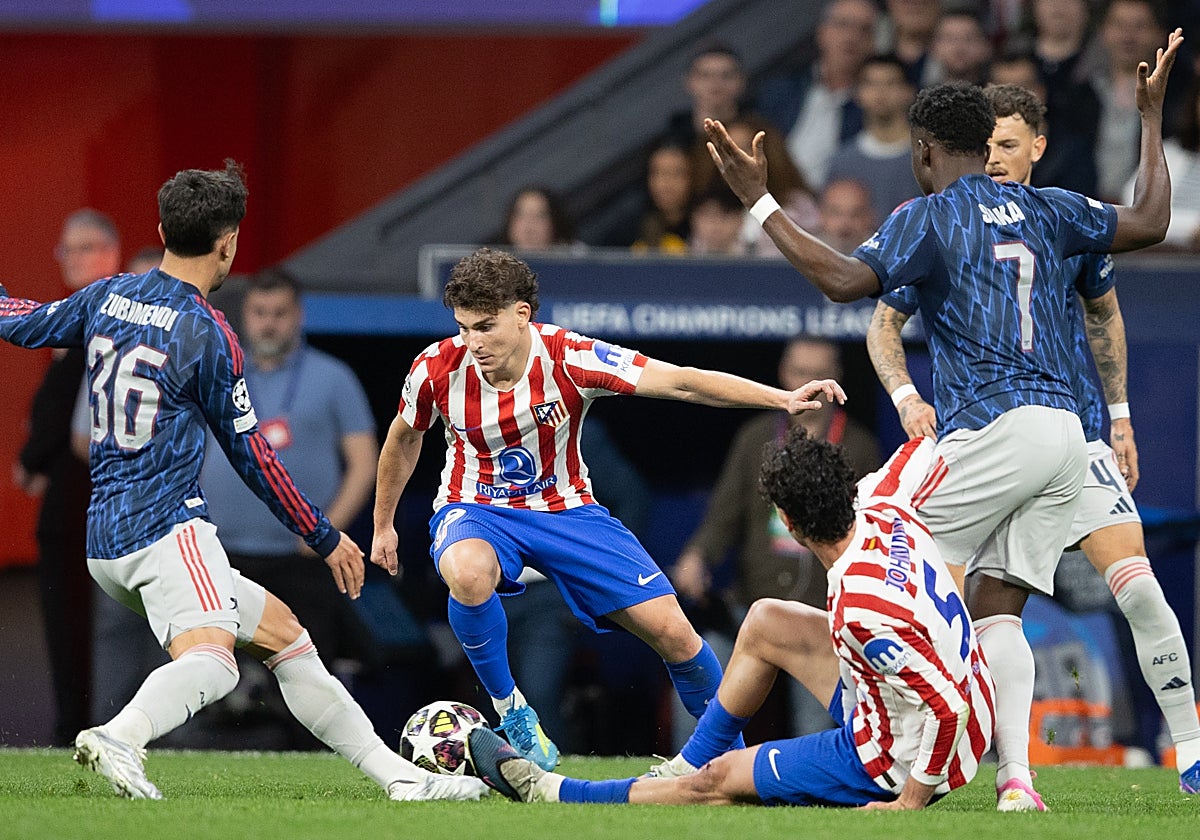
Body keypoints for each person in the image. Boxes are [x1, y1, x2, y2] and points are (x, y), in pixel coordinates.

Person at [704, 27, 1182, 810]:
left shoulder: (926, 215)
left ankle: (895, 745)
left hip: (997, 428)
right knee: (994, 605)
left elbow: (843, 281)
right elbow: (1154, 220)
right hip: (1069, 437)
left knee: (874, 529)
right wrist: (1151, 119)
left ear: (924, 150)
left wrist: (759, 198)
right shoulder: (1051, 207)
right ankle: (1018, 778)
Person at [0, 161, 485, 803]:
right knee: (214, 662)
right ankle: (121, 735)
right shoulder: (208, 332)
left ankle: (398, 778)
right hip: (167, 529)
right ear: (228, 241)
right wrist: (323, 534)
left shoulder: (106, 297)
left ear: (163, 229)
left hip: (105, 542)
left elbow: (20, 320)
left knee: (288, 639)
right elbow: (253, 455)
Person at [368, 246, 846, 772]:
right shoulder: (437, 368)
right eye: (463, 327)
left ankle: (726, 762)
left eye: (485, 326)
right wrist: (383, 522)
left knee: (675, 634)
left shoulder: (570, 356)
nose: (473, 342)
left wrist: (779, 399)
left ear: (522, 314)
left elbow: (682, 382)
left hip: (567, 511)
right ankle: (513, 714)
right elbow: (403, 440)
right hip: (474, 507)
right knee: (466, 572)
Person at [866, 81, 1200, 795]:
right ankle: (1014, 774)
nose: (993, 159)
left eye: (1008, 146)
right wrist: (904, 396)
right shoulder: (946, 220)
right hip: (994, 433)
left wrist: (1120, 415)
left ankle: (1191, 747)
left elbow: (1103, 317)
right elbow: (883, 319)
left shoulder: (1059, 219)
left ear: (1037, 148)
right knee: (993, 604)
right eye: (985, 146)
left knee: (1134, 583)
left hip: (1072, 435)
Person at [467, 431, 995, 810]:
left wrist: (909, 802)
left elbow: (947, 707)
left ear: (786, 523)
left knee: (717, 783)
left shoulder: (862, 606)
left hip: (907, 753)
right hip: (945, 701)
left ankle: (552, 790)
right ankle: (687, 760)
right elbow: (930, 448)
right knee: (765, 620)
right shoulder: (884, 499)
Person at [194, 266, 378, 746]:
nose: (269, 323)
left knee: (304, 673)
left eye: (279, 313)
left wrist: (325, 531)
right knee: (211, 669)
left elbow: (365, 462)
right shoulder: (221, 372)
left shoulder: (334, 377)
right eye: (259, 313)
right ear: (245, 317)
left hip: (300, 559)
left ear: (297, 316)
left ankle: (310, 761)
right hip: (224, 550)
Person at [671, 337, 879, 742]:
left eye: (820, 375)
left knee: (816, 726)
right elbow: (723, 515)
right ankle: (689, 776)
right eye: (801, 373)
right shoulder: (756, 438)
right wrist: (698, 557)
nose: (811, 385)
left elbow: (871, 528)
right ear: (785, 375)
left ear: (838, 379)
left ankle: (812, 790)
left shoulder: (859, 446)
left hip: (825, 614)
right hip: (751, 606)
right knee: (700, 668)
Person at [15, 208, 121, 745]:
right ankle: (77, 727)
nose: (70, 259)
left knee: (84, 625)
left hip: (90, 501)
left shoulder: (101, 320)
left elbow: (65, 411)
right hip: (72, 502)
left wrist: (30, 459)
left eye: (82, 248)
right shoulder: (76, 318)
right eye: (66, 250)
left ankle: (81, 730)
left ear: (110, 253)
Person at [756, 0, 878, 189]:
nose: (851, 37)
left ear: (873, 42)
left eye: (864, 29)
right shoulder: (781, 90)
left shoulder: (873, 107)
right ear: (822, 33)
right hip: (772, 192)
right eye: (842, 25)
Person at [826, 55, 923, 225]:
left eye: (890, 83)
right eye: (871, 84)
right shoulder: (842, 162)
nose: (880, 92)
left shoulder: (929, 159)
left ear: (908, 92)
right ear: (858, 94)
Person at [498, 186, 584, 253]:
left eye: (539, 216)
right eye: (521, 215)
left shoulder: (576, 259)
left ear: (554, 223)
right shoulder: (494, 265)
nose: (529, 227)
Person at [814, 178, 879, 254]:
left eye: (855, 214)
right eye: (835, 213)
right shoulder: (804, 256)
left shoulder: (887, 259)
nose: (845, 224)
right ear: (821, 215)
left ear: (870, 217)